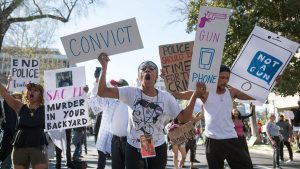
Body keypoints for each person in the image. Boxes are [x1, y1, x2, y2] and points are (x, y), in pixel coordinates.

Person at [97, 53, 202, 169]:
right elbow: (102, 92)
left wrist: (195, 94)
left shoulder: (165, 97)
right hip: (134, 146)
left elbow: (184, 118)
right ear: (139, 76)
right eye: (143, 68)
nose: (147, 70)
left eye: (151, 68)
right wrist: (104, 68)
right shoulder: (130, 92)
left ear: (156, 76)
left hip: (157, 145)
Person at [171, 65, 254, 169]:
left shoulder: (232, 92)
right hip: (213, 141)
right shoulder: (204, 93)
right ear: (215, 77)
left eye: (227, 78)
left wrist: (272, 84)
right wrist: (168, 80)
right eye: (222, 77)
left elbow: (256, 95)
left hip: (231, 138)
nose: (225, 80)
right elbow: (179, 94)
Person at [0, 82, 48, 169]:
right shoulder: (19, 106)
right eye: (29, 90)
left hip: (38, 145)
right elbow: (4, 94)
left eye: (35, 90)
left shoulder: (47, 108)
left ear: (41, 94)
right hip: (20, 145)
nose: (31, 92)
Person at [109, 79, 129, 169]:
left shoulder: (132, 102)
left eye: (117, 87)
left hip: (129, 142)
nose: (115, 89)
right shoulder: (113, 102)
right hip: (115, 141)